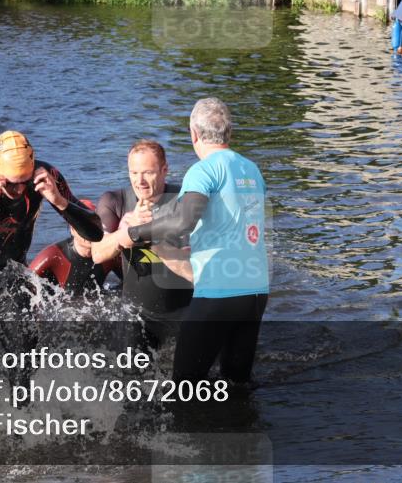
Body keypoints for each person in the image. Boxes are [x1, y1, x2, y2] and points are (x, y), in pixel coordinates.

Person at [0, 130, 103, 397]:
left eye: (24, 182)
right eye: (10, 184)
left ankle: (21, 433)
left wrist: (59, 202)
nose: (18, 190)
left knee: (24, 369)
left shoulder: (45, 177)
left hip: (9, 279)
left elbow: (96, 233)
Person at [119, 98, 269, 385]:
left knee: (184, 388)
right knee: (236, 384)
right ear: (230, 133)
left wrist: (136, 234)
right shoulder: (252, 169)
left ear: (194, 134)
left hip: (218, 295)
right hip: (256, 291)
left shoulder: (204, 170)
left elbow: (182, 221)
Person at [92, 139, 192, 351]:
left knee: (190, 383)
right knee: (131, 377)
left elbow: (195, 270)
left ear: (164, 170)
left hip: (182, 312)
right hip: (135, 314)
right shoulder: (115, 201)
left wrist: (147, 234)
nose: (140, 181)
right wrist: (126, 232)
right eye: (134, 173)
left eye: (148, 172)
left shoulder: (184, 202)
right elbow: (97, 254)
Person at [29, 199, 118, 297]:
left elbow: (131, 283)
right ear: (72, 229)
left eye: (93, 227)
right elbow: (26, 286)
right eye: (83, 228)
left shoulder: (109, 255)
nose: (89, 234)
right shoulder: (53, 256)